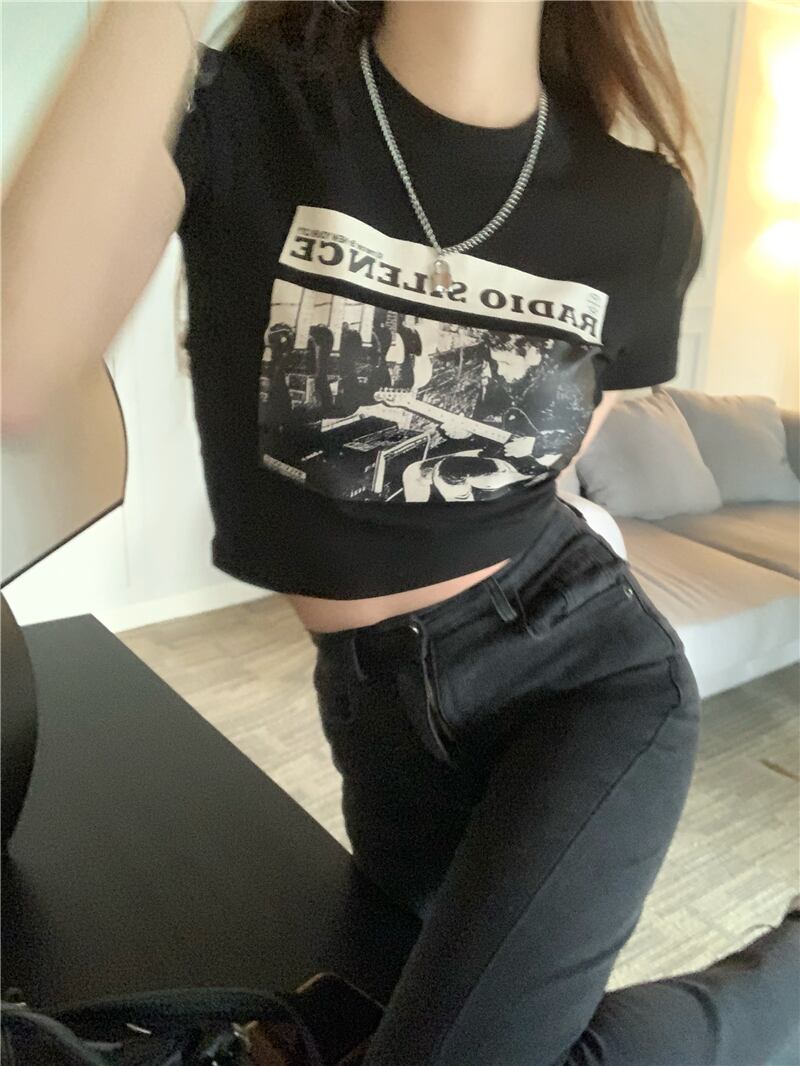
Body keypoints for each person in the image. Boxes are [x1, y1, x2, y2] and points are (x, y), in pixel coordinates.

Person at [3, 2, 798, 1063]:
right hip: (378, 706)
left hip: (581, 680)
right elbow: (15, 370)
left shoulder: (639, 207)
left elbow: (560, 452)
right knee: (416, 1009)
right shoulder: (242, 115)